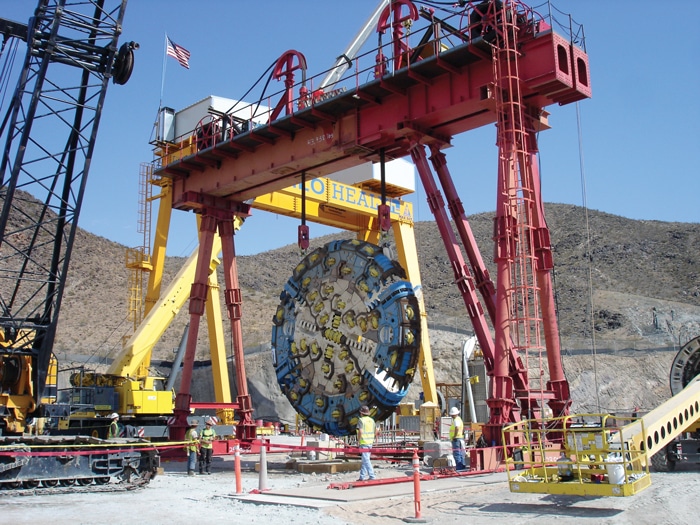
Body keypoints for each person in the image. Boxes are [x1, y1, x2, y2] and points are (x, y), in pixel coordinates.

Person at [356, 405, 376, 481]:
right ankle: (362, 477)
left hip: (363, 442)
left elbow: (360, 431)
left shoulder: (361, 420)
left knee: (366, 460)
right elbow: (376, 431)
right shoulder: (372, 420)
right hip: (370, 442)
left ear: (361, 413)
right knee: (365, 460)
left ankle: (372, 476)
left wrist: (358, 440)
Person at [449, 406, 466, 470]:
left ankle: (459, 468)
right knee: (461, 453)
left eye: (452, 415)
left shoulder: (456, 420)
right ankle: (462, 466)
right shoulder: (459, 419)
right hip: (460, 438)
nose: (451, 416)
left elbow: (457, 428)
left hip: (456, 439)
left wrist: (454, 436)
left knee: (457, 454)